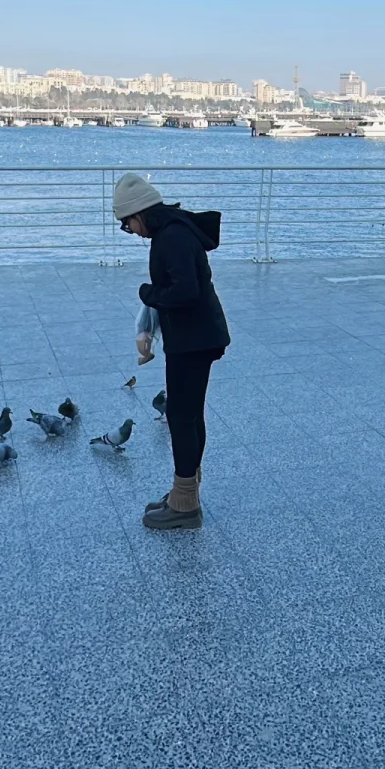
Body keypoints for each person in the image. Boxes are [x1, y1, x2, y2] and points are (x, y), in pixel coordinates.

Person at [112, 172, 229, 530]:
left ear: (140, 214)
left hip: (193, 341)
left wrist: (147, 294)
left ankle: (184, 506)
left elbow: (184, 291)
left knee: (181, 417)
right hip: (197, 336)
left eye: (128, 224)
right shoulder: (173, 231)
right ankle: (186, 493)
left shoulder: (172, 238)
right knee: (189, 415)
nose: (132, 231)